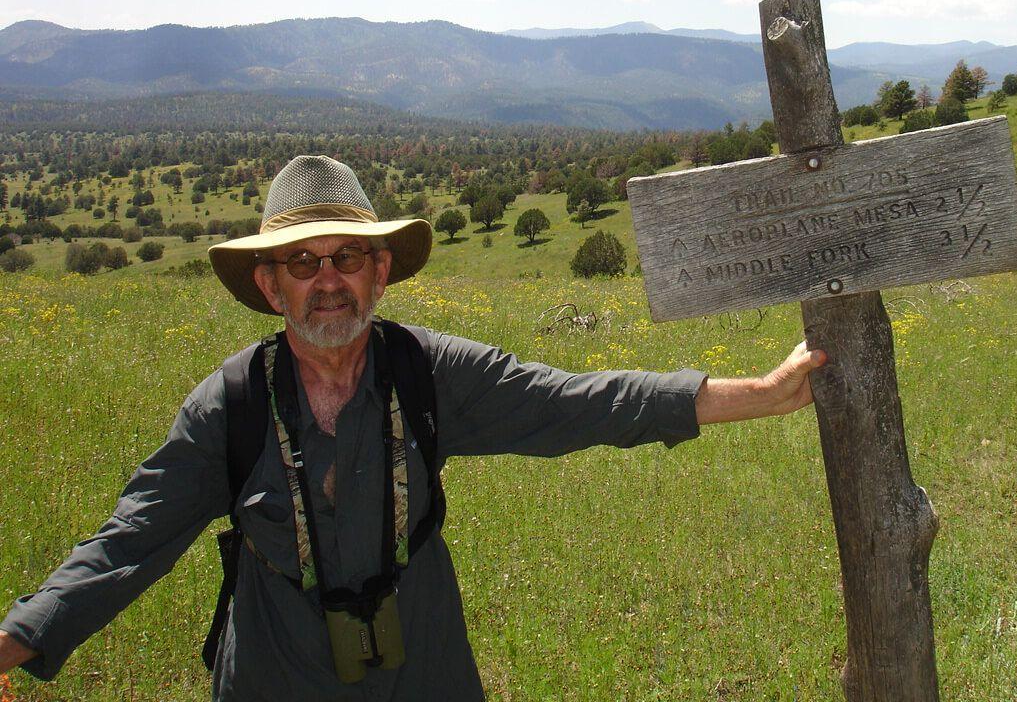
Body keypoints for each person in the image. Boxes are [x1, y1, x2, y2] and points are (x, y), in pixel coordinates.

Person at [0, 155, 826, 699]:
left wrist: (763, 391)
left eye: (347, 257)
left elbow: (580, 402)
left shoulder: (429, 375)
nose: (328, 282)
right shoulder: (232, 405)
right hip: (277, 673)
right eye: (303, 262)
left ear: (381, 271)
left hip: (423, 665)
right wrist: (13, 641)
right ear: (269, 284)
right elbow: (128, 542)